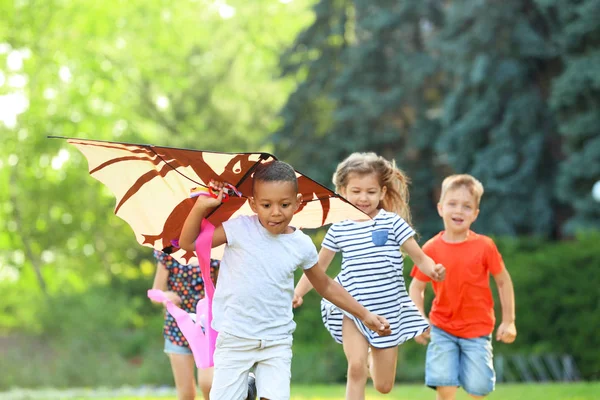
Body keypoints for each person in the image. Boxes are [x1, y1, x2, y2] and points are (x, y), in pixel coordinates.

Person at [179, 160, 392, 400]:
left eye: (284, 204)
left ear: (298, 203)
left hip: (276, 341)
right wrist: (201, 206)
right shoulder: (238, 229)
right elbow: (189, 244)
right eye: (266, 205)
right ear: (253, 204)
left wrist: (365, 314)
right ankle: (249, 389)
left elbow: (325, 285)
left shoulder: (301, 244)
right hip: (235, 338)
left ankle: (253, 389)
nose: (276, 212)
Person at [293, 152, 446, 399]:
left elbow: (420, 258)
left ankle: (372, 359)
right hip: (352, 308)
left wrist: (433, 270)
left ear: (382, 193)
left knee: (384, 386)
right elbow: (317, 269)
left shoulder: (393, 223)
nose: (363, 198)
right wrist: (298, 293)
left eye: (371, 192)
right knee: (355, 368)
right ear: (342, 191)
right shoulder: (339, 227)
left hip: (388, 310)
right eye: (356, 191)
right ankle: (360, 360)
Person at [408, 174, 517, 400]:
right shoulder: (431, 249)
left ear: (475, 214)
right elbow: (416, 288)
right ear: (440, 208)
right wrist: (418, 319)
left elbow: (503, 281)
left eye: (467, 206)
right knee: (444, 385)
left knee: (478, 388)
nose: (459, 211)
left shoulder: (485, 246)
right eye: (452, 204)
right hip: (442, 327)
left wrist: (509, 321)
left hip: (478, 329)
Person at [150, 247, 256, 400]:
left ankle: (245, 387)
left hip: (209, 330)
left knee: (209, 385)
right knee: (186, 394)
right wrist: (166, 296)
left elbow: (225, 290)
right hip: (178, 330)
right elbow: (155, 292)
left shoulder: (214, 253)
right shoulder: (168, 254)